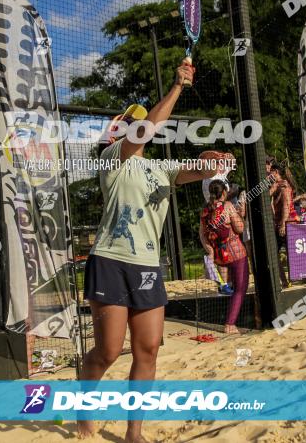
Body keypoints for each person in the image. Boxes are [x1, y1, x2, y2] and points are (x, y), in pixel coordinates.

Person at [78, 62, 220, 443]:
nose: (140, 126)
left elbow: (199, 170)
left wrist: (213, 162)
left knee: (148, 350)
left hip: (146, 266)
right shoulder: (113, 161)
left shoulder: (161, 168)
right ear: (118, 131)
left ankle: (133, 433)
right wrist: (177, 87)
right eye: (132, 122)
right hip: (110, 261)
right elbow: (146, 129)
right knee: (108, 352)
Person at [200, 180, 248, 334]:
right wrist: (241, 214)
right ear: (224, 193)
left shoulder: (205, 210)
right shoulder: (227, 206)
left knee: (228, 288)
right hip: (236, 253)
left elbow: (202, 235)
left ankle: (229, 318)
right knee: (240, 288)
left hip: (219, 257)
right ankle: (230, 324)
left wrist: (210, 251)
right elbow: (239, 229)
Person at [270, 163, 298, 287]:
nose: (269, 175)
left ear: (275, 172)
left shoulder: (284, 187)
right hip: (282, 223)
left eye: (271, 172)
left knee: (287, 253)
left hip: (287, 223)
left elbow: (286, 206)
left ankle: (289, 280)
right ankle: (285, 281)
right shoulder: (278, 185)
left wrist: (282, 224)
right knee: (276, 254)